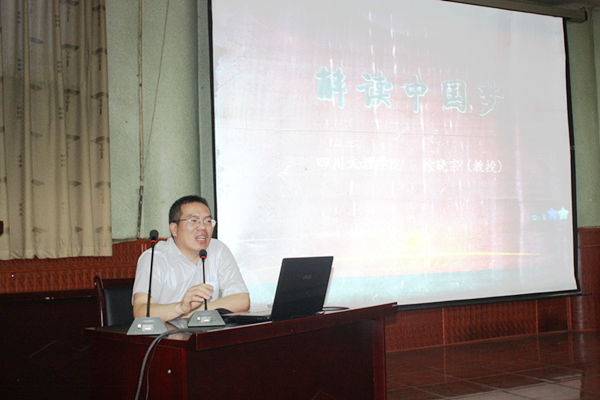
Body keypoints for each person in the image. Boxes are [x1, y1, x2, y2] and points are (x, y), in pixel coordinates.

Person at [132, 195, 250, 323]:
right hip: (166, 333)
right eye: (194, 220)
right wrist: (180, 308)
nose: (202, 227)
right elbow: (141, 311)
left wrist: (193, 313)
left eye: (208, 221)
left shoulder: (218, 249)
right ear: (174, 229)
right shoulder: (155, 258)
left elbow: (242, 299)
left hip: (206, 332)